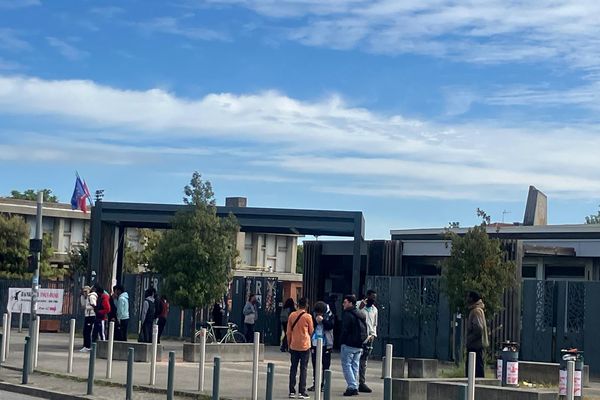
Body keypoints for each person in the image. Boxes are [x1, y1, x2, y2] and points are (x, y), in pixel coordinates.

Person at [340, 294, 367, 397]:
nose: (343, 304)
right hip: (359, 344)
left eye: (345, 302)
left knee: (346, 365)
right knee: (354, 365)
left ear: (350, 303)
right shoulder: (361, 314)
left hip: (349, 343)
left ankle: (352, 386)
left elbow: (345, 329)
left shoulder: (347, 314)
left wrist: (341, 341)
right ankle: (353, 385)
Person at [286, 297, 314, 399]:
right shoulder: (308, 317)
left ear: (298, 305)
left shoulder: (292, 315)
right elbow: (311, 331)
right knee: (304, 368)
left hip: (294, 345)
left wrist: (289, 344)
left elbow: (288, 332)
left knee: (293, 368)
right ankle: (302, 391)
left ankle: (291, 391)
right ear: (306, 305)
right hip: (305, 345)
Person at [308, 301, 334, 392]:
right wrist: (316, 320)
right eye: (317, 313)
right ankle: (316, 383)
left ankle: (324, 384)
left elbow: (331, 326)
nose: (318, 314)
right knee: (315, 364)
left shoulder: (330, 315)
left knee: (325, 365)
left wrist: (323, 320)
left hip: (326, 343)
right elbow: (310, 326)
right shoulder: (312, 314)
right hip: (315, 342)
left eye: (320, 313)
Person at [357, 289, 378, 393]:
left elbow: (374, 324)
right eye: (372, 297)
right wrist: (360, 307)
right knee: (355, 359)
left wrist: (373, 334)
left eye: (374, 298)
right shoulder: (359, 305)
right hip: (359, 336)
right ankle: (353, 382)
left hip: (369, 337)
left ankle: (362, 382)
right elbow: (355, 314)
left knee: (364, 361)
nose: (373, 300)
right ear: (367, 296)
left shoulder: (375, 310)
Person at [466, 291, 488, 378]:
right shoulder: (478, 310)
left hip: (475, 345)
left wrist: (470, 340)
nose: (467, 299)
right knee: (478, 366)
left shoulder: (476, 311)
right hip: (477, 344)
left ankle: (478, 386)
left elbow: (478, 328)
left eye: (468, 297)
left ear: (472, 298)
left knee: (475, 368)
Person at [79, 286, 97, 352]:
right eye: (84, 291)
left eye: (86, 291)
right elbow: (83, 305)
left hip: (91, 315)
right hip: (87, 315)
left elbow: (94, 305)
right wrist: (82, 298)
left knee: (88, 331)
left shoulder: (91, 296)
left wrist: (88, 307)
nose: (85, 293)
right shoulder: (84, 298)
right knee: (85, 331)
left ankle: (88, 346)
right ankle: (85, 345)